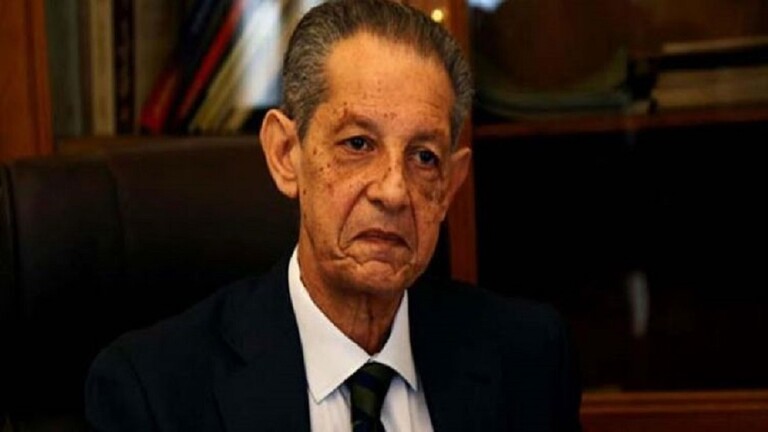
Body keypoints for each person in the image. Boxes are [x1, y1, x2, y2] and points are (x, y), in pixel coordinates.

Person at [85, 0, 582, 430]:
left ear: (449, 187)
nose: (393, 191)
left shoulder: (529, 360)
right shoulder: (154, 391)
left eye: (423, 157)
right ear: (285, 155)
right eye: (358, 144)